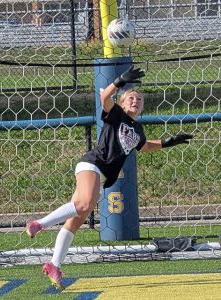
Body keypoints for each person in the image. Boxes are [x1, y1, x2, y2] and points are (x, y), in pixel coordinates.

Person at [26, 66, 193, 290]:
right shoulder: (117, 114)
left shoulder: (138, 129)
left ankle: (54, 264)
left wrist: (168, 142)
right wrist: (121, 80)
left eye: (140, 99)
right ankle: (39, 224)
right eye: (131, 98)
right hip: (92, 164)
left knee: (74, 221)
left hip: (103, 175)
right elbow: (104, 96)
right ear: (123, 104)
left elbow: (143, 147)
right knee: (86, 203)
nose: (136, 101)